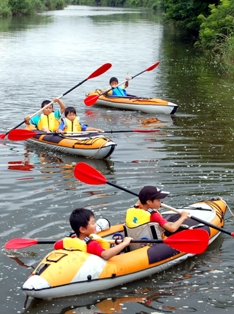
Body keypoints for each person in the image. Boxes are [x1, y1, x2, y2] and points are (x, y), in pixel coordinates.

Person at [54, 208, 132, 260]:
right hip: (100, 264)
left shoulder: (72, 240)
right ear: (82, 229)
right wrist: (124, 243)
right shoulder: (91, 244)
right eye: (92, 223)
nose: (95, 225)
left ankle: (115, 245)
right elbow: (105, 255)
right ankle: (117, 247)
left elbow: (56, 245)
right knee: (118, 249)